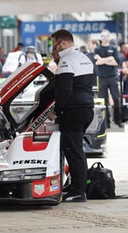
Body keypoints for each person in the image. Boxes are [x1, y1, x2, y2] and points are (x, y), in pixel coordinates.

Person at [49, 29, 94, 202]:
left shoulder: (66, 61)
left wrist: (57, 111)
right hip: (86, 109)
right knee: (77, 150)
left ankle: (78, 191)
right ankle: (79, 187)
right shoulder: (85, 58)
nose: (54, 49)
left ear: (64, 43)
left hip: (73, 111)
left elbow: (64, 90)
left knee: (73, 151)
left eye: (55, 45)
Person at [94, 29, 122, 128]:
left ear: (109, 37)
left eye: (105, 36)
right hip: (102, 78)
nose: (104, 38)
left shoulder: (114, 48)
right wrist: (110, 58)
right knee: (103, 100)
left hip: (113, 77)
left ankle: (118, 120)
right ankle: (106, 122)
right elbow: (97, 62)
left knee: (116, 98)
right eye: (102, 36)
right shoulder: (97, 49)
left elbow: (116, 62)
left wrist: (102, 60)